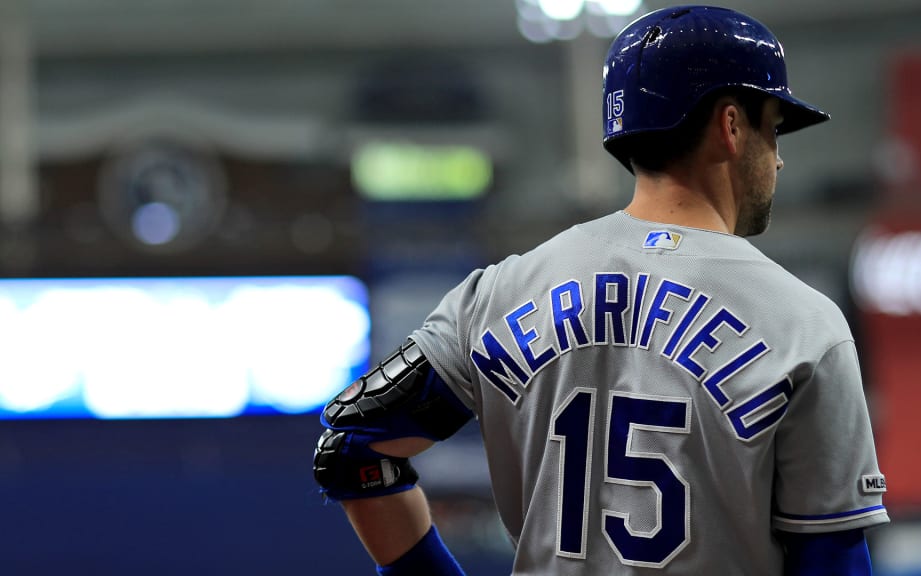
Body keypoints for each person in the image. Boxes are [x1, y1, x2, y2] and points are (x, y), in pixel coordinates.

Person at [313, 5, 889, 574]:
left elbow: (352, 449)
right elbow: (831, 555)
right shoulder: (804, 323)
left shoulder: (502, 291)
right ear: (731, 126)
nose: (780, 159)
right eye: (773, 128)